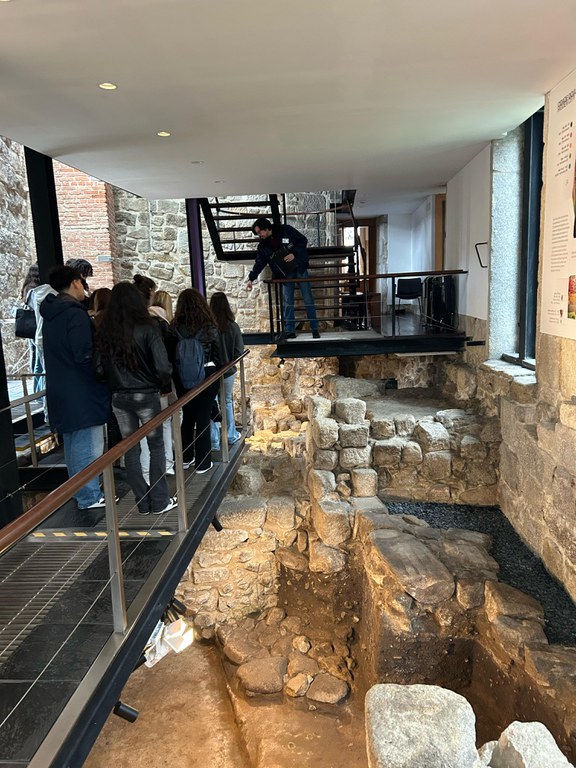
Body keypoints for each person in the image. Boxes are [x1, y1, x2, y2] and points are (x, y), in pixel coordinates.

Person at [96, 282, 176, 515]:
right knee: (156, 445)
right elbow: (162, 367)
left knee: (130, 449)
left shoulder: (105, 331)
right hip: (146, 395)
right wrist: (163, 385)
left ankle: (143, 502)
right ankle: (159, 501)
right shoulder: (148, 327)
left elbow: (98, 369)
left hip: (119, 397)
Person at [40, 265, 110, 510]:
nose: (84, 287)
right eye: (82, 282)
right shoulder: (75, 314)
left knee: (72, 445)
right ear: (74, 283)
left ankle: (79, 491)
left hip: (60, 389)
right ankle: (89, 496)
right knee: (88, 446)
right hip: (81, 391)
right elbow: (84, 355)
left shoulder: (51, 313)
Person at [171, 288, 222, 473]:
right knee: (203, 417)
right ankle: (203, 463)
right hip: (207, 375)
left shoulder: (174, 327)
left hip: (182, 377)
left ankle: (185, 458)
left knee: (188, 416)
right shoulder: (209, 326)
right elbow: (219, 355)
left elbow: (170, 356)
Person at [247, 217, 320, 339]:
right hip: (285, 274)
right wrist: (251, 279)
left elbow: (302, 240)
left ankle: (314, 328)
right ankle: (290, 330)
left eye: (260, 232)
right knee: (287, 301)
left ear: (266, 228)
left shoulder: (285, 230)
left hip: (299, 267)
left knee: (308, 298)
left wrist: (294, 254)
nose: (259, 235)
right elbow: (259, 263)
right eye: (257, 233)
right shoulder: (263, 246)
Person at [209, 292, 243, 449]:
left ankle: (214, 440)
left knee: (212, 402)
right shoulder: (233, 326)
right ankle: (230, 435)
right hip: (229, 371)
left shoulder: (209, 327)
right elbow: (238, 351)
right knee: (227, 401)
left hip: (212, 372)